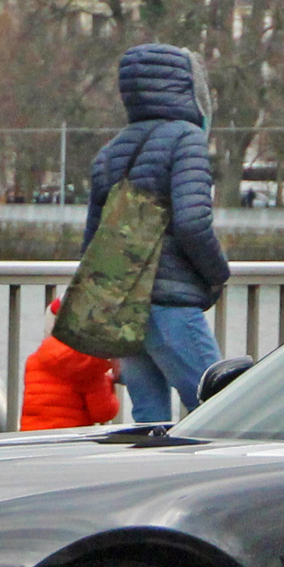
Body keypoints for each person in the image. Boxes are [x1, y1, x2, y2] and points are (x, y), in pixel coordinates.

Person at [83, 44, 229, 421]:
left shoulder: (110, 152)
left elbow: (92, 247)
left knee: (149, 421)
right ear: (190, 91)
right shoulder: (186, 140)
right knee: (222, 412)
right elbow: (193, 224)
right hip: (172, 305)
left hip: (126, 310)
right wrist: (217, 275)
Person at [20, 298, 119, 431]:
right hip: (69, 441)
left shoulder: (34, 360)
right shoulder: (88, 364)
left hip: (32, 437)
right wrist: (108, 382)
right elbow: (103, 413)